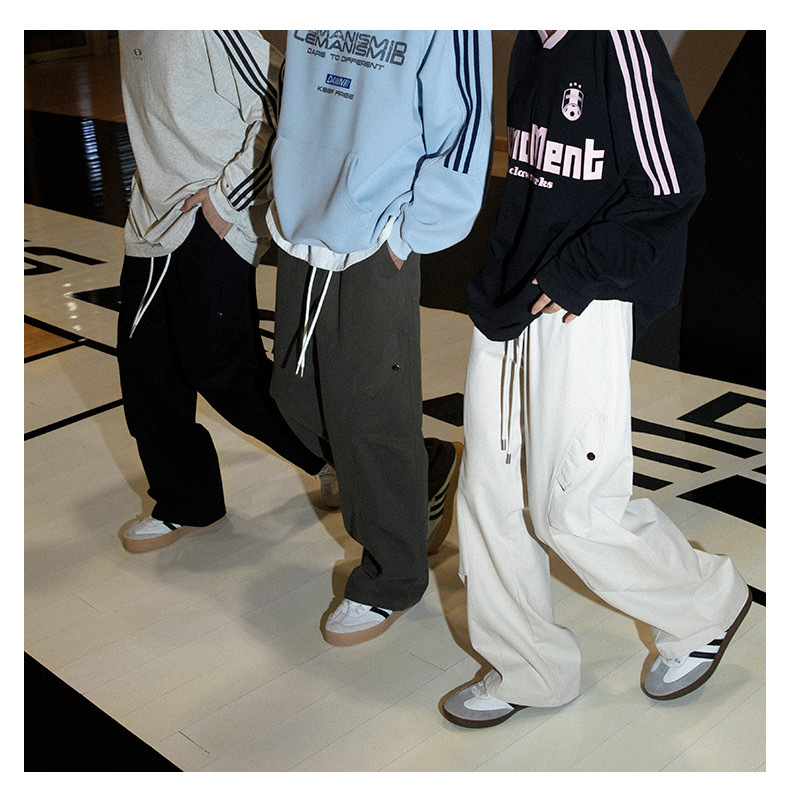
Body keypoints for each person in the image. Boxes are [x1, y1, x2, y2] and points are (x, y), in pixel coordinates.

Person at [441, 30, 751, 728]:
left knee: (572, 508)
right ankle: (530, 667)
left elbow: (673, 181)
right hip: (513, 296)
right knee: (490, 499)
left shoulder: (615, 34)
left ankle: (705, 606)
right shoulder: (530, 41)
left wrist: (579, 271)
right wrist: (502, 276)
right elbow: (533, 176)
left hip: (582, 300)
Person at [267, 30, 493, 645]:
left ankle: (393, 575)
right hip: (303, 214)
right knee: (294, 398)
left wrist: (410, 232)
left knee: (367, 413)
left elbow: (465, 119)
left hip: (376, 231)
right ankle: (419, 470)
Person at [116, 30, 337, 553]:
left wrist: (226, 199)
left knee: (224, 368)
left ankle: (358, 459)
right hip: (152, 217)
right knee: (146, 365)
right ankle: (187, 501)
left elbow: (287, 97)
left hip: (213, 214)